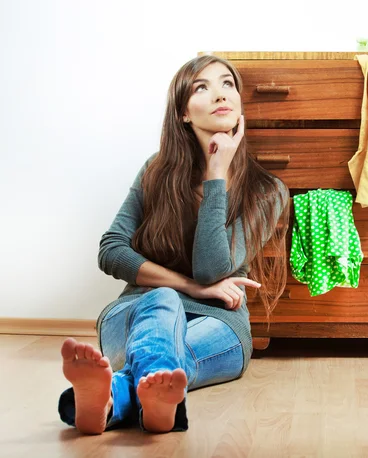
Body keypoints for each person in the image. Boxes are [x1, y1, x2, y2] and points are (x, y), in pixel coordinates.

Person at [58, 55, 289, 434]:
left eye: (227, 84)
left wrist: (217, 176)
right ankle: (162, 409)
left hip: (219, 323)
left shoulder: (267, 191)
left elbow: (213, 268)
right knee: (163, 302)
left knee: (163, 360)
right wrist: (187, 287)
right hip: (138, 311)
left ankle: (116, 396)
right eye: (202, 87)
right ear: (183, 112)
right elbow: (111, 250)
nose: (220, 94)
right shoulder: (155, 170)